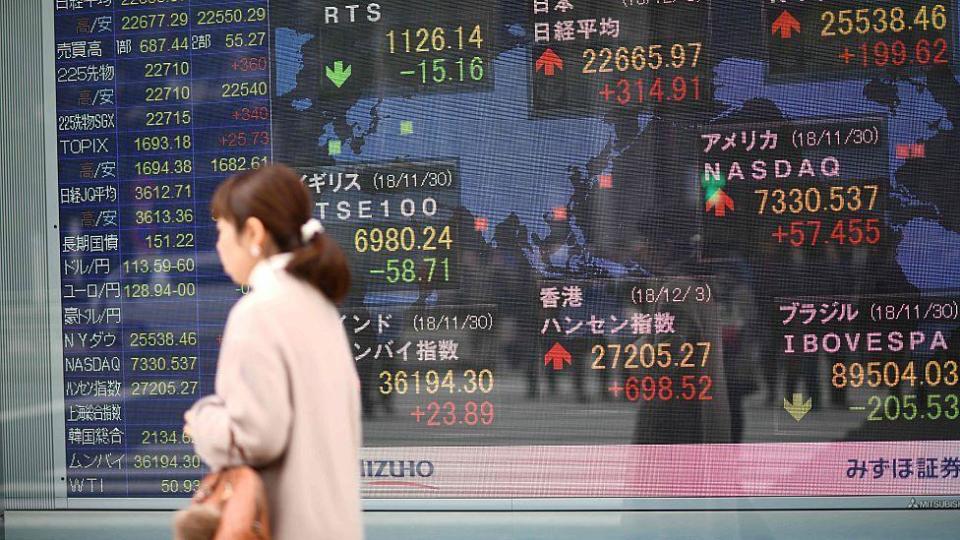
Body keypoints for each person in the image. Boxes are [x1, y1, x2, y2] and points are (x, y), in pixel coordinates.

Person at [183, 164, 362, 540]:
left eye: (221, 230)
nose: (218, 244)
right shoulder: (319, 305)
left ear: (253, 232)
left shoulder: (259, 312)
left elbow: (256, 436)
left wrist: (202, 419)